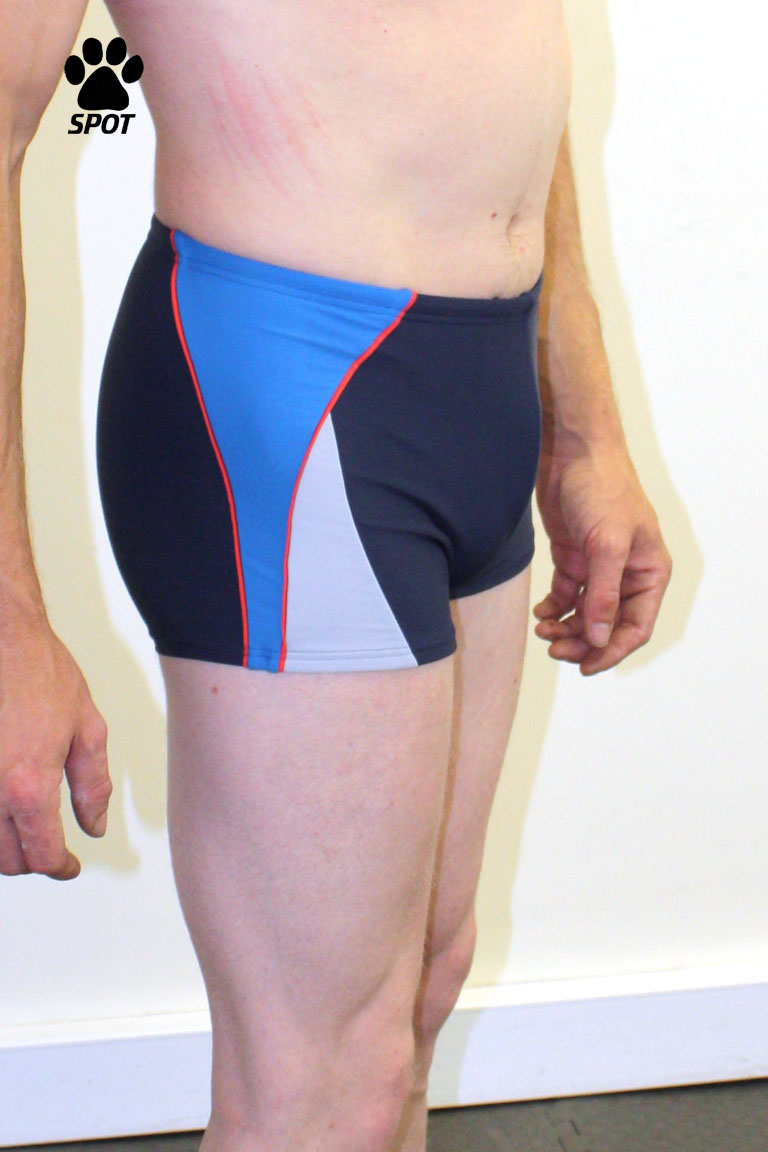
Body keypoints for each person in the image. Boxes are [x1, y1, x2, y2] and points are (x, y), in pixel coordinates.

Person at [1, 3, 672, 1151]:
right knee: (323, 1086)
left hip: (483, 373)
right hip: (291, 396)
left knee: (416, 994)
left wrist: (582, 428)